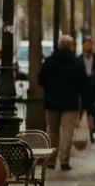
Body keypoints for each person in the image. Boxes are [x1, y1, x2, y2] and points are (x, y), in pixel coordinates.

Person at [37, 35, 87, 170]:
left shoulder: (49, 61)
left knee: (51, 131)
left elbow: (40, 80)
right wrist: (85, 103)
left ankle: (51, 160)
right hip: (70, 102)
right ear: (71, 46)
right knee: (67, 131)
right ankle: (64, 159)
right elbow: (83, 85)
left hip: (52, 102)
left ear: (58, 45)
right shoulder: (77, 63)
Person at [80, 37, 95, 142]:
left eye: (90, 44)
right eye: (86, 44)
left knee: (92, 111)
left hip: (94, 89)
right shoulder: (79, 59)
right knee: (83, 111)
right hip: (83, 89)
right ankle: (84, 131)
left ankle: (93, 130)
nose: (88, 46)